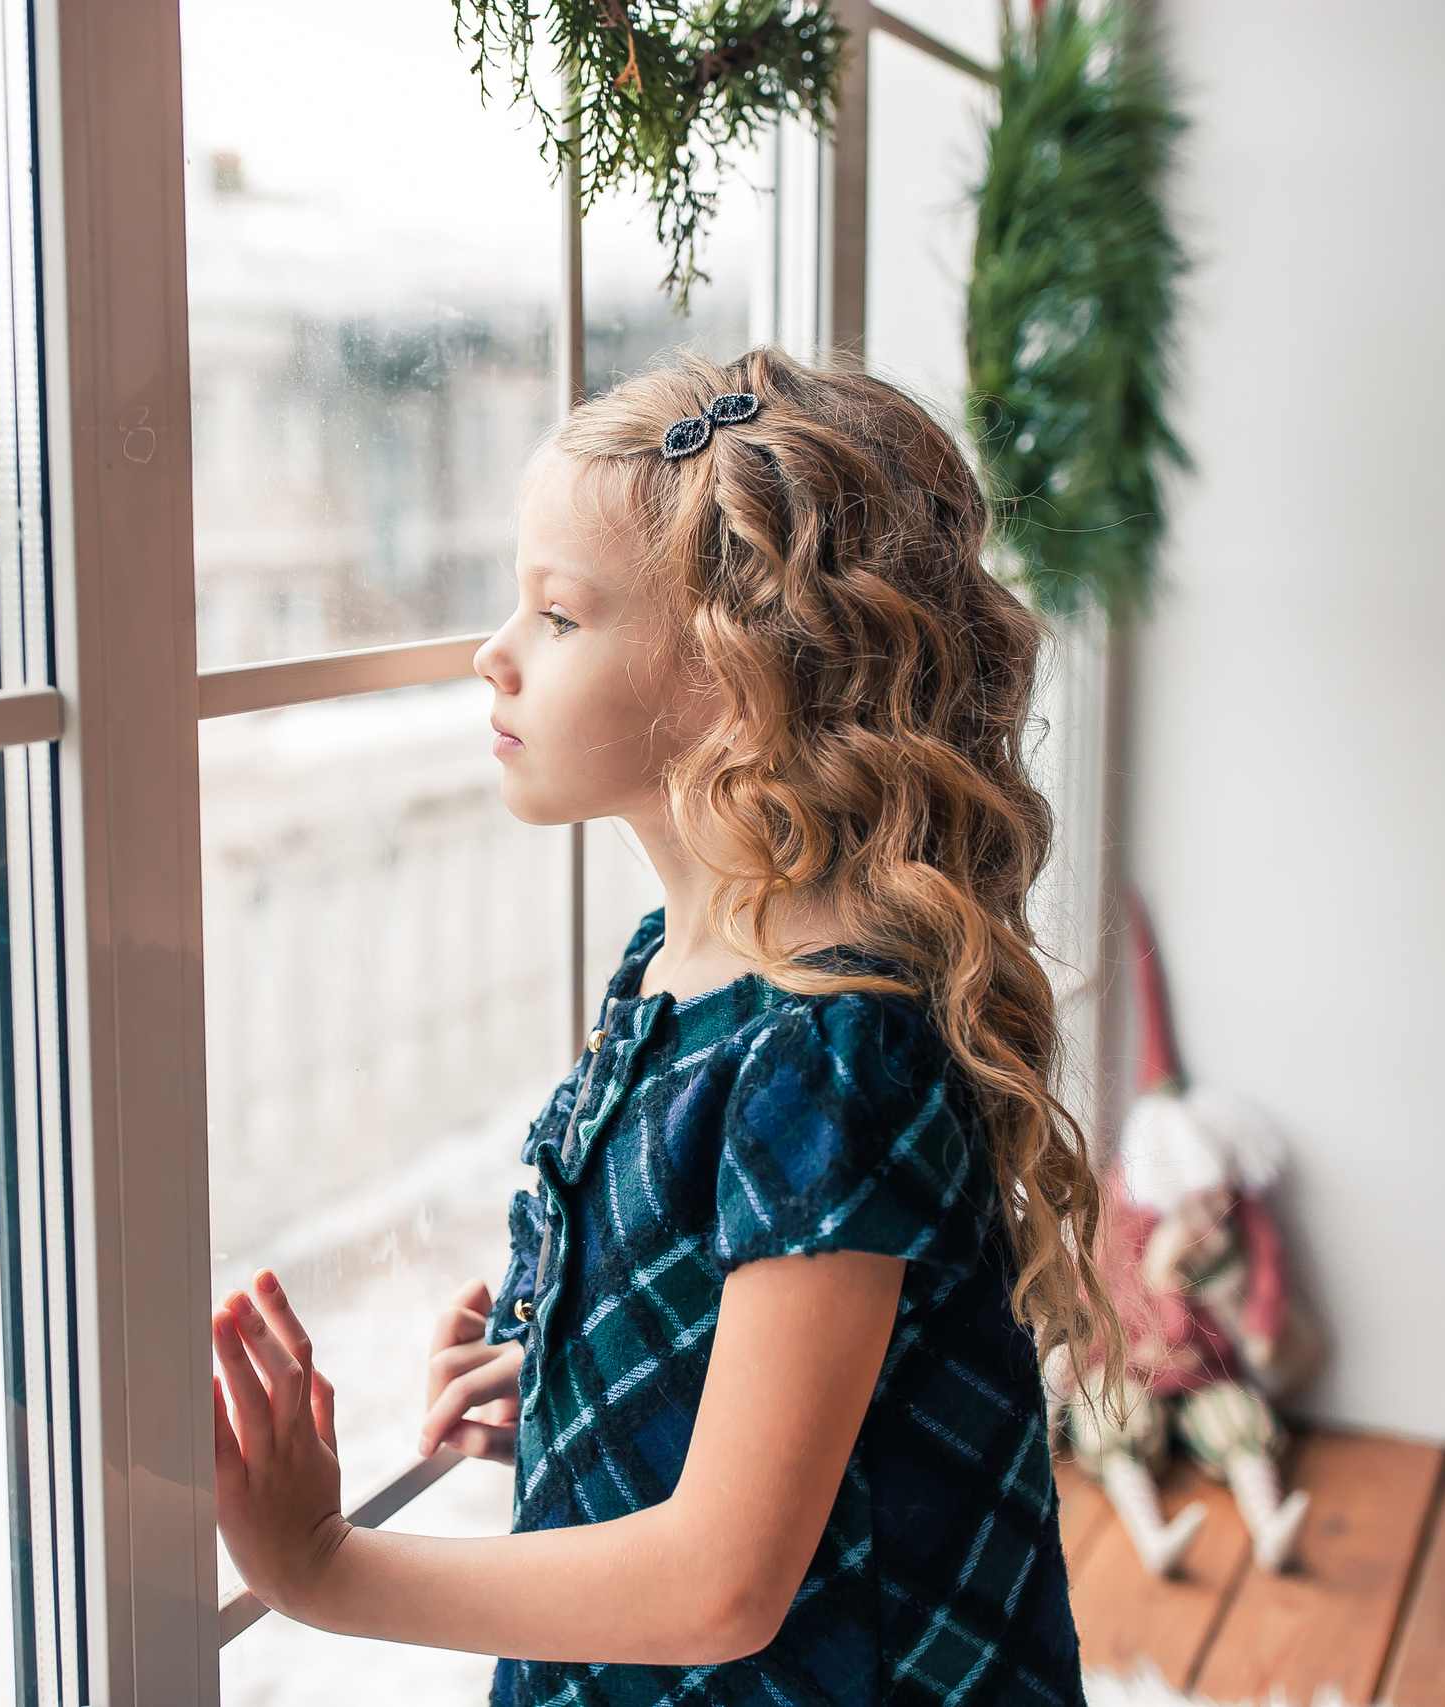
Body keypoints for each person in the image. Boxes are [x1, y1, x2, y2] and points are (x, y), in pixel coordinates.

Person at [209, 347, 1119, 1706]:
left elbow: (720, 1584)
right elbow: (767, 1365)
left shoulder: (826, 1054)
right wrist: (587, 1395)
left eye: (558, 617)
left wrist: (323, 1572)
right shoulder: (676, 967)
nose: (492, 657)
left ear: (736, 677)